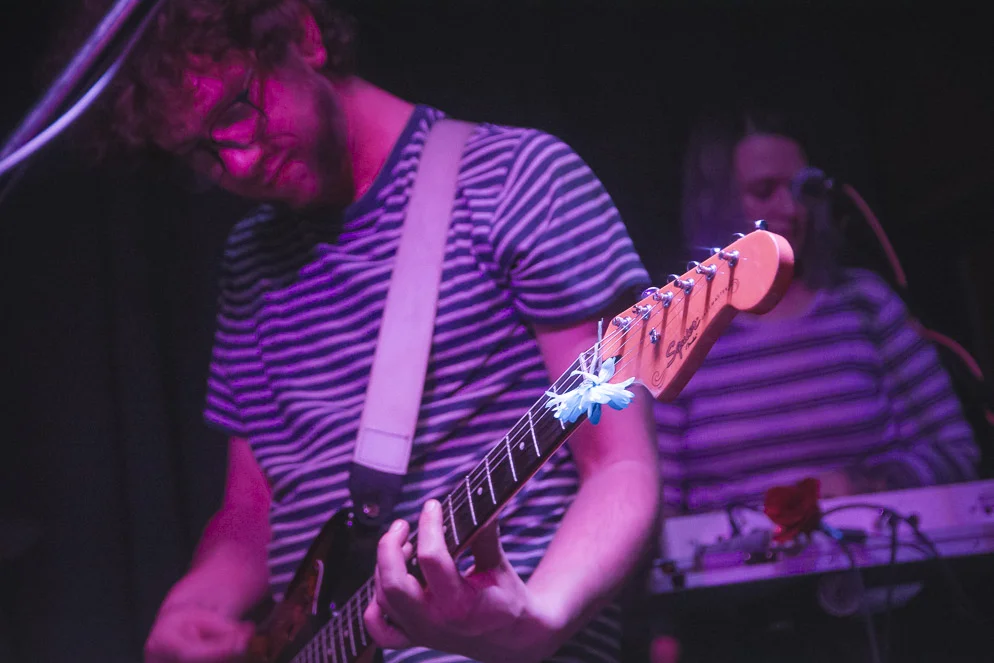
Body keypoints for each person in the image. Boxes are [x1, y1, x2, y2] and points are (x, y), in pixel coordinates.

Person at [97, 1, 660, 662]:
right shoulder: (249, 263)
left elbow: (620, 463)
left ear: (301, 36)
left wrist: (538, 618)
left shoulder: (514, 182)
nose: (239, 162)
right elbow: (252, 513)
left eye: (235, 112)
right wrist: (193, 606)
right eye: (202, 151)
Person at [645, 107, 982, 663]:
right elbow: (661, 507)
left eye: (799, 188)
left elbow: (957, 451)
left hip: (890, 607)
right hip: (737, 627)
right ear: (715, 202)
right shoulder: (682, 334)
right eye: (762, 191)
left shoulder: (864, 304)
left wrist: (863, 483)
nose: (790, 208)